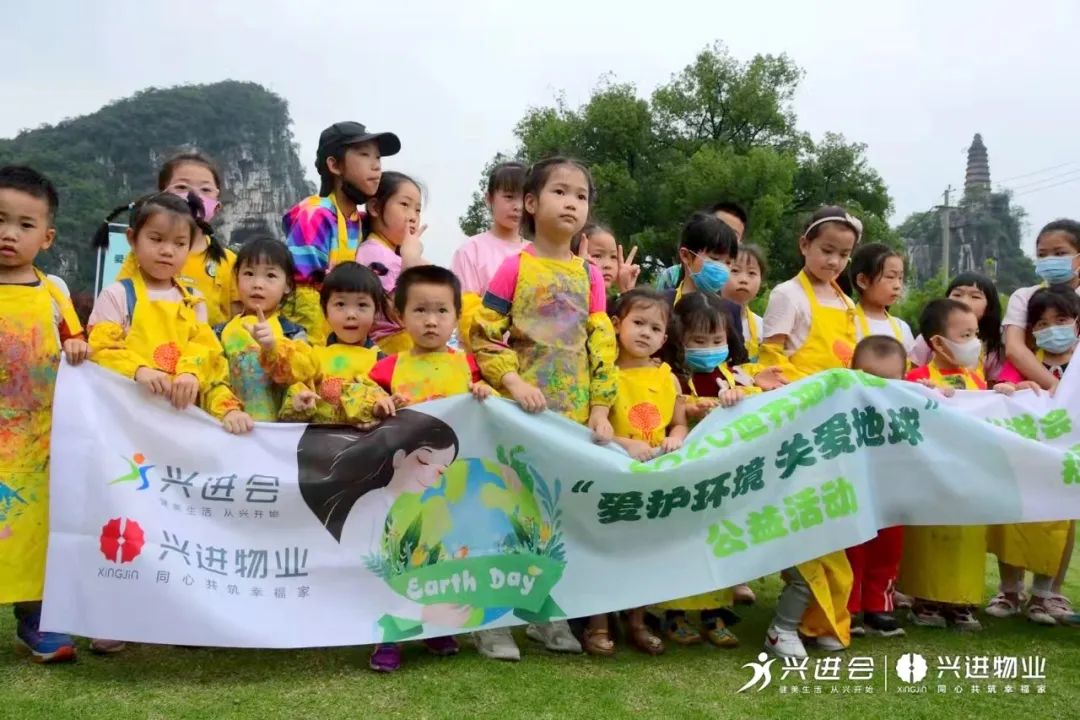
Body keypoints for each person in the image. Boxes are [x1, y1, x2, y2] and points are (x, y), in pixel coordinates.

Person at [471, 157, 617, 654]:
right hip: (519, 417)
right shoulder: (515, 267)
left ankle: (544, 614)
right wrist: (512, 381)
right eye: (560, 191)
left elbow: (601, 344)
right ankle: (491, 620)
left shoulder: (590, 275)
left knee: (556, 518)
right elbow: (485, 334)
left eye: (581, 195)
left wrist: (601, 408)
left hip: (571, 421)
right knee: (507, 512)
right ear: (531, 203)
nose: (571, 202)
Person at [760, 206, 862, 659]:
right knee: (804, 525)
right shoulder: (787, 294)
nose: (834, 261)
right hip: (800, 425)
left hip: (837, 428)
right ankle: (783, 626)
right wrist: (812, 394)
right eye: (826, 250)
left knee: (834, 527)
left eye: (844, 254)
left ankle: (820, 620)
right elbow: (771, 361)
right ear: (804, 245)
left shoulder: (847, 303)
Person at [295, 413, 465, 672]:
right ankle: (388, 639)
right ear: (398, 458)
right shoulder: (372, 505)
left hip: (425, 590)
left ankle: (433, 630)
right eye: (423, 460)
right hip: (384, 596)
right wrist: (418, 611)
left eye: (444, 468)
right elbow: (359, 565)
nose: (435, 473)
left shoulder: (434, 506)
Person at [0, 166, 88, 663]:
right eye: (0, 220)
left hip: (39, 441)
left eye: (24, 224)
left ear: (47, 237)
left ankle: (36, 618)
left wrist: (78, 349)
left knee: (37, 529)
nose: (9, 234)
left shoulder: (53, 291)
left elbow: (78, 343)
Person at [899, 299, 1028, 630]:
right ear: (938, 343)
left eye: (976, 334)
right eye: (966, 335)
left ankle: (962, 602)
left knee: (967, 541)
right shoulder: (916, 378)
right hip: (930, 478)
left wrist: (1004, 394)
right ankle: (925, 600)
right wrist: (923, 392)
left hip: (969, 479)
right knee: (928, 537)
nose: (975, 343)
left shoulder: (977, 382)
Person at [88, 192, 254, 436]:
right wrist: (139, 371)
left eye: (179, 243)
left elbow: (210, 363)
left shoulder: (193, 302)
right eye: (156, 239)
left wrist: (227, 409)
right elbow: (100, 350)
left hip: (180, 434)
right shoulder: (117, 296)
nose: (167, 251)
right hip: (126, 429)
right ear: (132, 239)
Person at [581, 289, 685, 657]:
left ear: (664, 339)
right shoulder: (601, 376)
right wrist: (626, 444)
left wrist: (675, 438)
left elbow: (679, 423)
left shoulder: (668, 378)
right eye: (638, 322)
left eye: (655, 328)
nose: (645, 333)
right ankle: (597, 622)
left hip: (652, 479)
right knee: (604, 547)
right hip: (610, 477)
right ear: (616, 325)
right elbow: (591, 428)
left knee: (644, 550)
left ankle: (637, 621)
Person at [654, 291, 760, 647]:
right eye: (699, 341)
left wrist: (741, 395)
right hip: (684, 477)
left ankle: (715, 613)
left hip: (722, 477)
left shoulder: (732, 376)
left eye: (717, 340)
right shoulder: (670, 376)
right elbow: (669, 411)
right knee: (682, 544)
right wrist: (695, 408)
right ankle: (675, 614)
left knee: (719, 541)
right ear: (678, 338)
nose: (709, 348)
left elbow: (759, 397)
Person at [988, 285, 1079, 624]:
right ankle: (1009, 590)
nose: (1052, 329)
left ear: (1077, 322)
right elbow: (1001, 390)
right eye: (1042, 324)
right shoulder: (1025, 363)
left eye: (1061, 320)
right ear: (1031, 330)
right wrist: (1015, 388)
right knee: (1013, 520)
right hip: (1024, 463)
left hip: (1065, 465)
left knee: (1058, 523)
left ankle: (1045, 594)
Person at [281, 121, 401, 344]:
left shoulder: (361, 221)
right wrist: (320, 349)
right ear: (335, 165)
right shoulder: (314, 215)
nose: (376, 166)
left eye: (378, 158)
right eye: (364, 155)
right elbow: (305, 295)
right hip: (317, 343)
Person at [109, 152, 239, 327]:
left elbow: (239, 321)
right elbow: (119, 302)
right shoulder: (143, 256)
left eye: (206, 189)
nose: (194, 196)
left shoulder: (228, 262)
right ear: (162, 198)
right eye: (182, 187)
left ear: (217, 207)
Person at [845, 336, 909, 638]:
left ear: (904, 378)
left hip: (892, 490)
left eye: (889, 379)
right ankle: (847, 606)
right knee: (852, 548)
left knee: (888, 548)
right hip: (851, 490)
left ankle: (879, 606)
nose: (878, 386)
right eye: (869, 376)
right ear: (851, 371)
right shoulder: (840, 399)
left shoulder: (910, 401)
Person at [214, 237, 315, 421]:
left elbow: (304, 372)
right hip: (232, 428)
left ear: (288, 285)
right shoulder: (220, 333)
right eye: (249, 273)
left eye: (270, 276)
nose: (257, 284)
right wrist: (229, 411)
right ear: (236, 279)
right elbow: (213, 380)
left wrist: (273, 347)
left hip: (277, 433)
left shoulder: (293, 333)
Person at [281, 262, 391, 425]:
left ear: (376, 312)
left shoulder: (383, 363)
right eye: (340, 304)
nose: (351, 314)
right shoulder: (314, 357)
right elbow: (291, 409)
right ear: (325, 310)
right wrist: (298, 403)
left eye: (362, 305)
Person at [369, 266, 493, 406]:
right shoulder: (386, 368)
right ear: (400, 316)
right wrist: (379, 404)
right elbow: (366, 402)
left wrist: (486, 393)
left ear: (457, 317)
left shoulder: (472, 366)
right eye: (420, 310)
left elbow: (497, 407)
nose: (431, 322)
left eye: (442, 310)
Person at [452, 162, 526, 352]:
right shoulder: (470, 251)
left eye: (524, 198)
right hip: (483, 357)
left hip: (529, 359)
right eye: (509, 197)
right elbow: (465, 313)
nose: (518, 206)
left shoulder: (536, 252)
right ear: (489, 198)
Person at [355, 171, 431, 354]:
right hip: (388, 348)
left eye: (417, 210)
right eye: (404, 205)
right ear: (375, 207)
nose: (413, 216)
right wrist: (411, 259)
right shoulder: (372, 253)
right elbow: (394, 312)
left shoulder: (394, 254)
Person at [1004, 219, 1080, 392]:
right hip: (1035, 391)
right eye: (1042, 255)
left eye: (1060, 253)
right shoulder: (1024, 297)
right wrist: (1057, 388)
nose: (1050, 260)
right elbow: (1014, 348)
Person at [909, 272, 1005, 384]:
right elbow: (912, 379)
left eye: (975, 297)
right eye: (957, 295)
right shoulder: (926, 339)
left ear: (989, 306)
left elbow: (991, 387)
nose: (964, 301)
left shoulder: (992, 346)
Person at [656, 201, 748, 291]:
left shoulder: (735, 289)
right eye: (715, 258)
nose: (725, 236)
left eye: (728, 263)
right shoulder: (671, 278)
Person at [848, 243, 915, 355]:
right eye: (890, 277)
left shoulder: (902, 328)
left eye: (900, 278)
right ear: (862, 281)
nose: (898, 285)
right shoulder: (848, 323)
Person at [721, 244, 766, 365]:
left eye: (752, 273)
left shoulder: (763, 327)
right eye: (735, 271)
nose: (744, 280)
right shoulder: (705, 318)